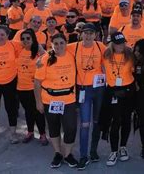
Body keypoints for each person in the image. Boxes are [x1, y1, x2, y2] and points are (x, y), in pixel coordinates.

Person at [34, 33, 78, 168]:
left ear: (66, 43)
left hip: (69, 99)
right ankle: (58, 153)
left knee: (70, 128)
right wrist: (39, 102)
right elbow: (37, 82)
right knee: (54, 127)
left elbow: (85, 45)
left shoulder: (72, 54)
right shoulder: (45, 59)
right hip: (50, 100)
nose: (59, 46)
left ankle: (68, 154)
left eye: (61, 43)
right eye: (56, 44)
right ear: (51, 45)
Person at [67, 23, 106, 170]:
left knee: (96, 121)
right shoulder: (74, 47)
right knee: (84, 124)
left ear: (95, 35)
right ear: (81, 34)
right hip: (83, 89)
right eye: (86, 33)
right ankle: (84, 155)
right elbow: (55, 50)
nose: (88, 35)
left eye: (91, 33)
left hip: (99, 88)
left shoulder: (100, 46)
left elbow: (115, 53)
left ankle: (93, 151)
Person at [102, 32, 135, 166]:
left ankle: (123, 147)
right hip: (113, 91)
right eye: (118, 43)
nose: (121, 45)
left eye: (122, 42)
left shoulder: (130, 54)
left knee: (127, 119)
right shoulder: (105, 54)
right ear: (112, 43)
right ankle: (113, 151)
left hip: (128, 90)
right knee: (115, 121)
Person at [0, 26, 21, 145]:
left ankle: (13, 135)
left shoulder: (14, 45)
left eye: (2, 34)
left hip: (10, 81)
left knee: (11, 108)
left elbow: (31, 46)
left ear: (7, 36)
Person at [16, 28, 48, 145]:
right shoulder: (18, 50)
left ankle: (43, 135)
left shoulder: (38, 52)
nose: (25, 40)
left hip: (34, 88)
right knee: (28, 111)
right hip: (21, 88)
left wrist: (39, 48)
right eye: (23, 39)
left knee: (38, 111)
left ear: (33, 39)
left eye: (28, 38)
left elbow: (48, 56)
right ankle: (30, 132)